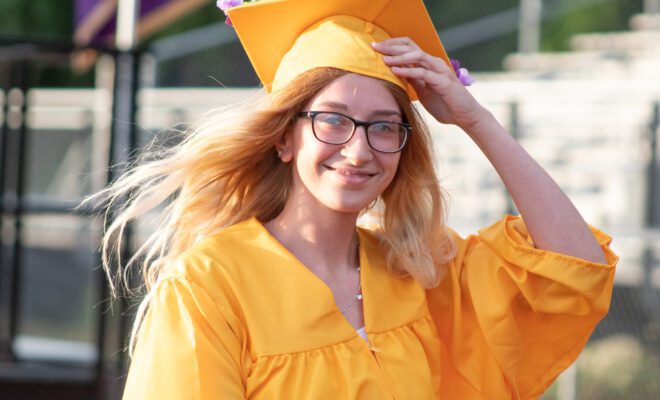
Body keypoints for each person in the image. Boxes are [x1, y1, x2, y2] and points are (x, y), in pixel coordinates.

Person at [94, 0, 618, 398]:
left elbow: (574, 270)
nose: (359, 149)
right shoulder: (210, 285)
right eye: (333, 120)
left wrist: (475, 120)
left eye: (384, 127)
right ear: (284, 137)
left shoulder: (421, 274)